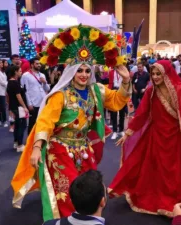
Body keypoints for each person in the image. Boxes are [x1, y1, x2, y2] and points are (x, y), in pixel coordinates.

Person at [11, 25, 131, 222]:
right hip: (59, 150)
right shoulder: (60, 95)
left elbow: (117, 102)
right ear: (72, 72)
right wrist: (36, 148)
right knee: (66, 194)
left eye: (87, 70)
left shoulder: (96, 90)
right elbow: (45, 122)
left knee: (91, 191)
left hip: (84, 148)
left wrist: (126, 81)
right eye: (79, 71)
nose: (84, 74)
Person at [109, 60, 181, 217]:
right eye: (153, 74)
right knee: (155, 171)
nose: (155, 77)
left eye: (158, 73)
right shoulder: (150, 91)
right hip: (155, 137)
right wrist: (128, 132)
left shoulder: (180, 90)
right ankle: (160, 202)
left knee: (180, 172)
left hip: (176, 139)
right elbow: (142, 113)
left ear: (167, 73)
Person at [21, 58, 50, 134]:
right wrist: (29, 104)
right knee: (32, 123)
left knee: (42, 121)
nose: (39, 65)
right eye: (37, 64)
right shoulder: (26, 75)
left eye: (39, 63)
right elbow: (25, 91)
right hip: (33, 103)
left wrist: (45, 82)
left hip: (43, 102)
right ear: (32, 65)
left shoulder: (42, 75)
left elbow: (47, 89)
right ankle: (30, 141)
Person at [7, 66, 28, 153]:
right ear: (15, 72)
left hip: (14, 106)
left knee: (17, 125)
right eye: (19, 71)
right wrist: (24, 107)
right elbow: (18, 96)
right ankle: (19, 144)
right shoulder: (14, 83)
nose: (21, 72)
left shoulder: (10, 82)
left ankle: (16, 142)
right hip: (18, 107)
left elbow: (7, 95)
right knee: (21, 126)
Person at [109, 68, 127, 139]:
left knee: (122, 112)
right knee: (114, 113)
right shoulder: (111, 72)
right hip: (114, 91)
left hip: (122, 92)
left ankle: (121, 130)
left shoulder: (124, 71)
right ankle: (114, 131)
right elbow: (110, 83)